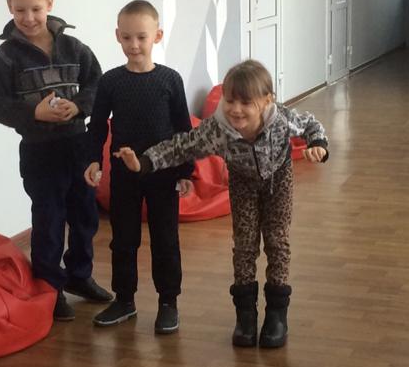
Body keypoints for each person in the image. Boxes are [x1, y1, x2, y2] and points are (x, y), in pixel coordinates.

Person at [116, 60, 328, 348]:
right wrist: (143, 162)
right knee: (244, 245)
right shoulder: (218, 129)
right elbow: (181, 146)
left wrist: (318, 144)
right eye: (230, 101)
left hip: (278, 181)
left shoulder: (280, 119)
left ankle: (277, 314)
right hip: (242, 183)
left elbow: (310, 124)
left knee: (277, 242)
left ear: (267, 101)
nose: (236, 109)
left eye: (246, 103)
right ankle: (246, 316)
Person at [0, 0, 112, 321]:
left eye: (36, 9)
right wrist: (33, 112)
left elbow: (98, 85)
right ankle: (50, 289)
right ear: (9, 7)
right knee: (49, 221)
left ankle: (80, 276)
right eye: (20, 10)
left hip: (78, 145)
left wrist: (80, 106)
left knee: (85, 216)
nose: (29, 18)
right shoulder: (6, 57)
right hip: (39, 152)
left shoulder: (74, 47)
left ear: (50, 3)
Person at [84, 0, 194, 335]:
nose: (134, 45)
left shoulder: (170, 80)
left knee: (165, 239)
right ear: (117, 36)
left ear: (157, 36)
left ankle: (168, 302)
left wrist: (185, 171)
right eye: (127, 37)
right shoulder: (110, 81)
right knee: (123, 239)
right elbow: (97, 125)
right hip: (123, 175)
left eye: (141, 37)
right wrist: (93, 160)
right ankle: (124, 299)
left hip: (163, 174)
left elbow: (183, 129)